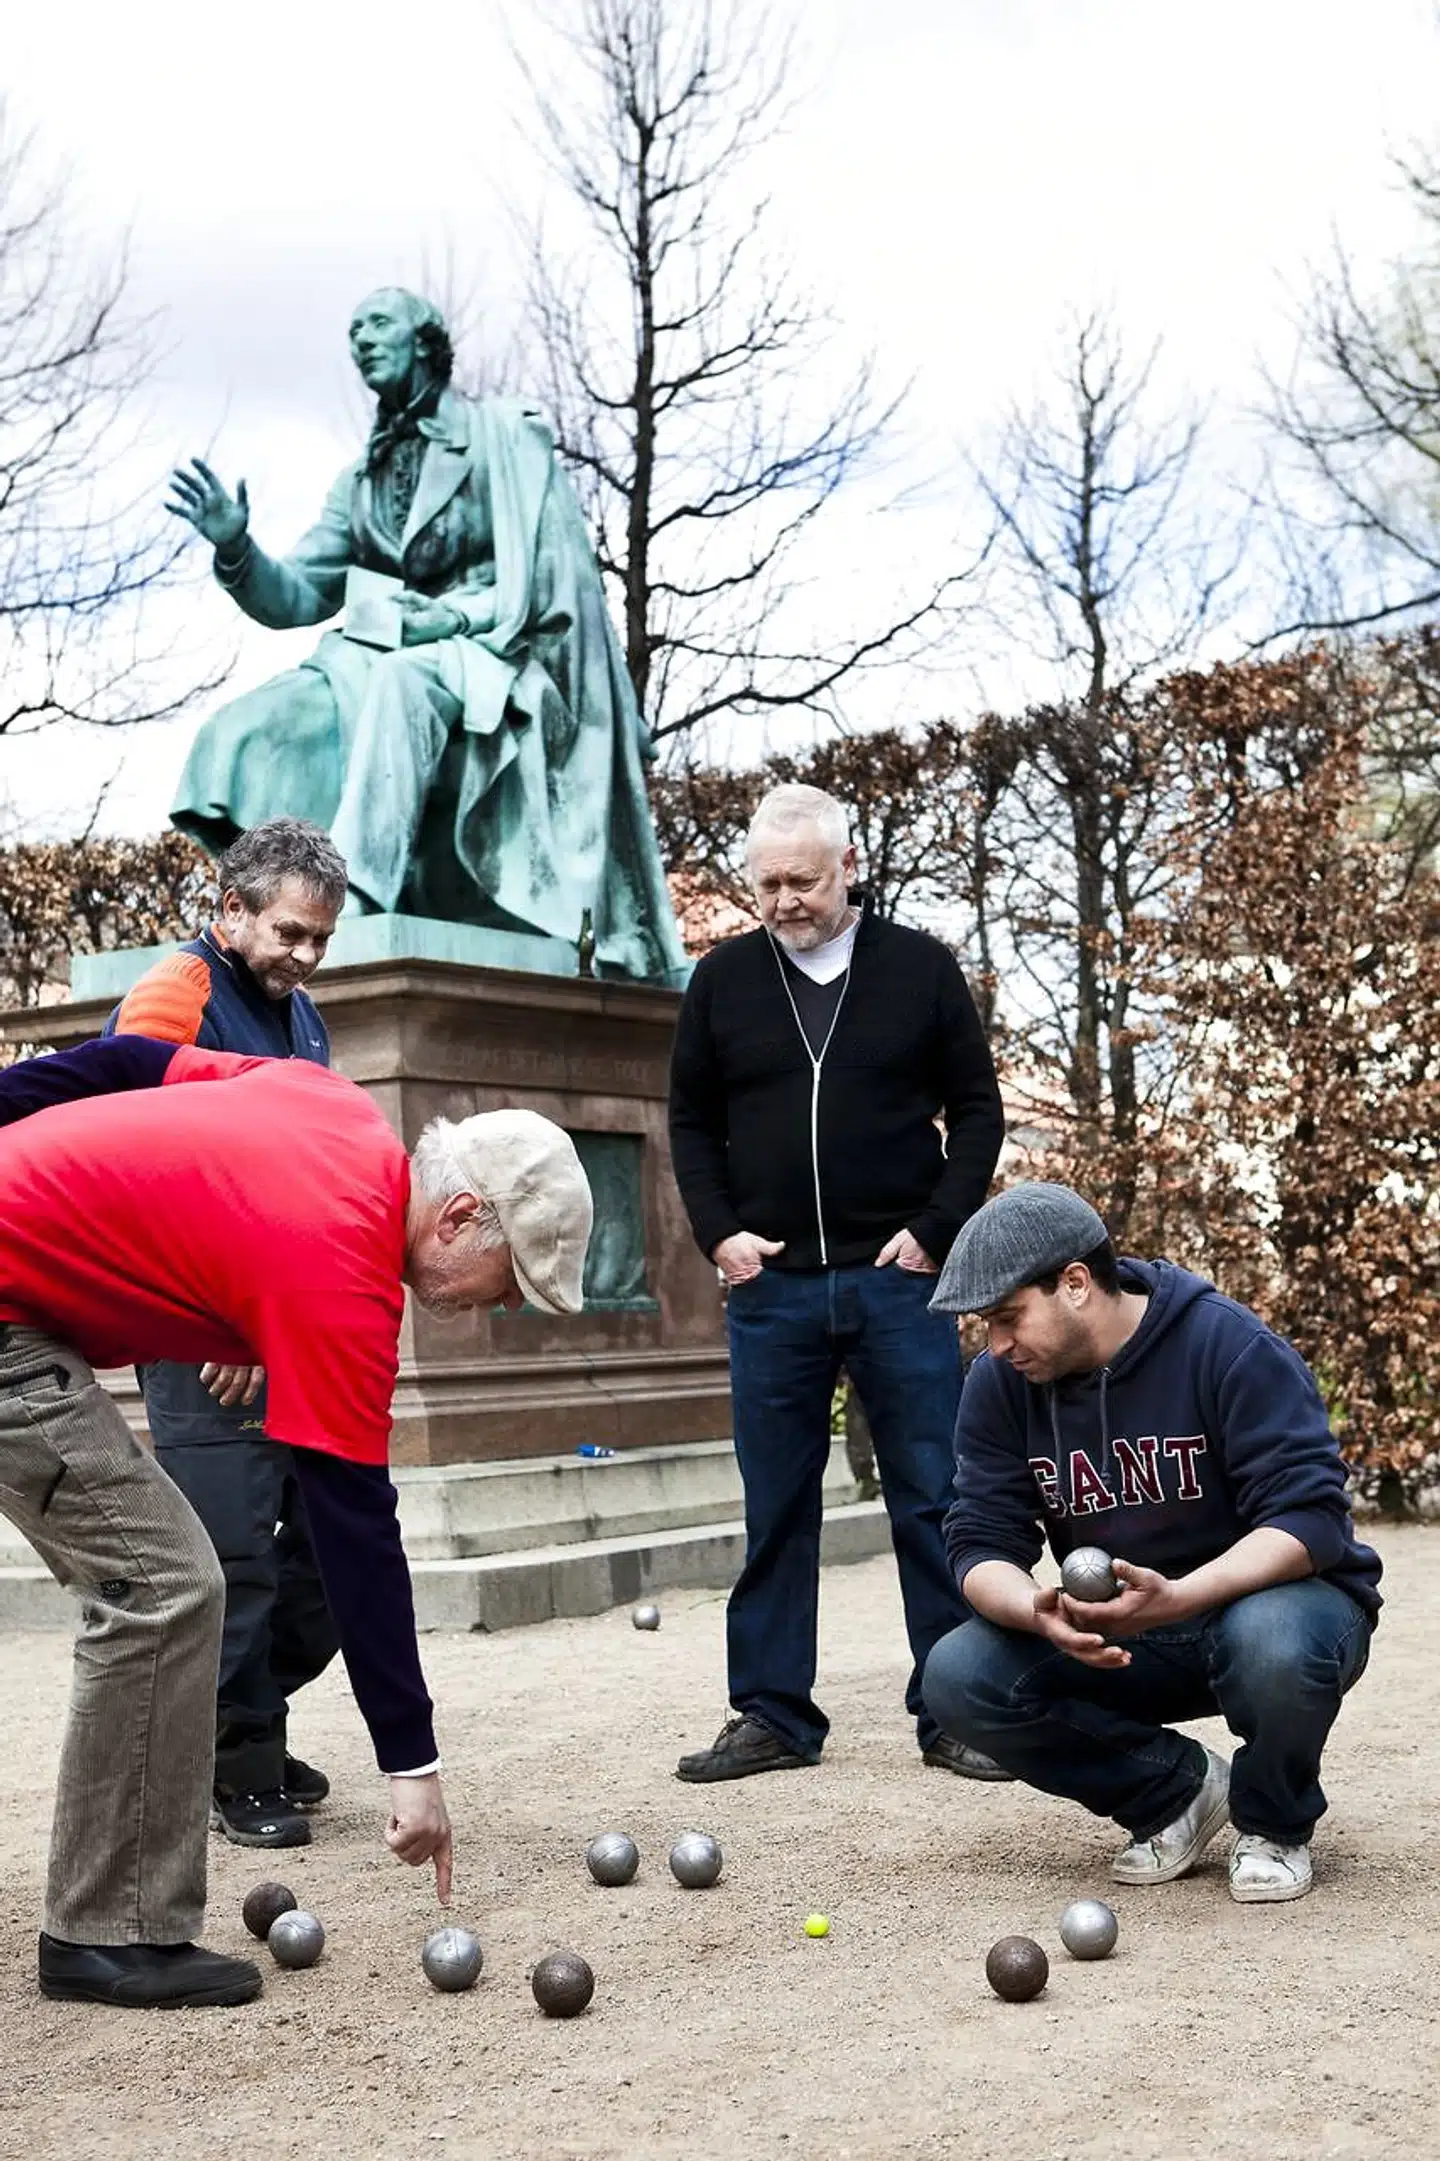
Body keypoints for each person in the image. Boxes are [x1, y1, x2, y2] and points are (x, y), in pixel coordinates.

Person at [0, 1035, 592, 2006]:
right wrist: (412, 1764)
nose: (500, 1307)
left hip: (22, 1300)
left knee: (165, 1581)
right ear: (458, 1217)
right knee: (165, 1588)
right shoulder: (348, 1279)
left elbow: (128, 1063)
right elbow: (354, 1533)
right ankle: (107, 1932)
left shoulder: (334, 1105)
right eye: (512, 1279)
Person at [165, 286, 686, 983]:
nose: (362, 340)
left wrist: (458, 617)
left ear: (425, 341)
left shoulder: (501, 435)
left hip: (497, 652)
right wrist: (237, 548)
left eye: (378, 324)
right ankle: (263, 911)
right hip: (377, 653)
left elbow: (555, 578)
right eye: (353, 331)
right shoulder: (363, 480)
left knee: (401, 682)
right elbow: (296, 595)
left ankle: (348, 899)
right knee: (253, 727)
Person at [668, 783, 1006, 1783]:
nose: (782, 899)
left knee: (934, 1497)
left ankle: (956, 1708)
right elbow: (690, 1120)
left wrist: (937, 1230)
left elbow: (977, 1110)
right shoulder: (722, 981)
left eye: (802, 880)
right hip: (771, 1290)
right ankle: (772, 1712)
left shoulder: (920, 969)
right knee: (776, 1502)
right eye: (766, 882)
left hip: (896, 1281)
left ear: (847, 866)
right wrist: (718, 1233)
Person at [921, 1182, 1383, 1904]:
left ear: (1075, 1283)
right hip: (1131, 1632)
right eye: (987, 1325)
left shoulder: (1226, 1345)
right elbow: (977, 1540)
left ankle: (1273, 1821)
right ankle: (1176, 1793)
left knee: (1273, 1638)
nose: (997, 1344)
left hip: (1266, 1609)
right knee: (958, 1673)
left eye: (1009, 1317)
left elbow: (1311, 1520)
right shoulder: (1001, 1384)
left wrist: (1180, 1597)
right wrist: (1034, 1607)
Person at [104, 817, 344, 1851]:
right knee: (236, 1560)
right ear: (231, 909)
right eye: (288, 931)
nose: (302, 954)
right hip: (201, 1332)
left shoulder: (305, 1020)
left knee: (323, 1563)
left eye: (319, 939)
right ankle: (241, 1764)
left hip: (285, 1333)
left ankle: (237, 1724)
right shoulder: (174, 998)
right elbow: (134, 1170)